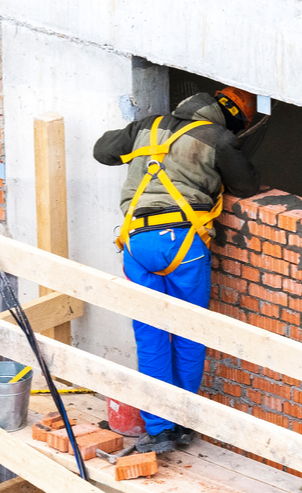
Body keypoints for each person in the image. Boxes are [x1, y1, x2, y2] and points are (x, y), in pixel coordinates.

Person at [93, 87, 261, 452]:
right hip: (182, 244)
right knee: (189, 333)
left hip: (136, 243)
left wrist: (140, 142)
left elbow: (101, 151)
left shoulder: (147, 127)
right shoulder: (217, 138)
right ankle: (184, 424)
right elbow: (247, 186)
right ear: (226, 116)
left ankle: (159, 429)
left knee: (150, 336)